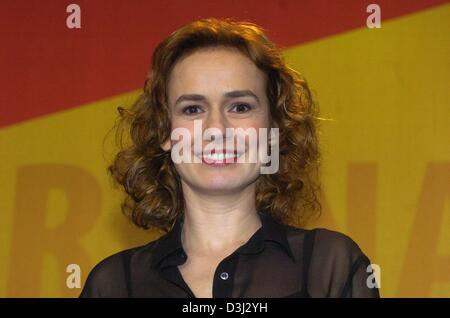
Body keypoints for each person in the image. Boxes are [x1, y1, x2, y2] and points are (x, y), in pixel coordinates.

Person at [80, 18, 380, 298]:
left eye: (239, 107)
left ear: (273, 127)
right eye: (193, 109)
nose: (216, 129)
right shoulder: (114, 285)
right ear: (165, 132)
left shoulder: (329, 267)